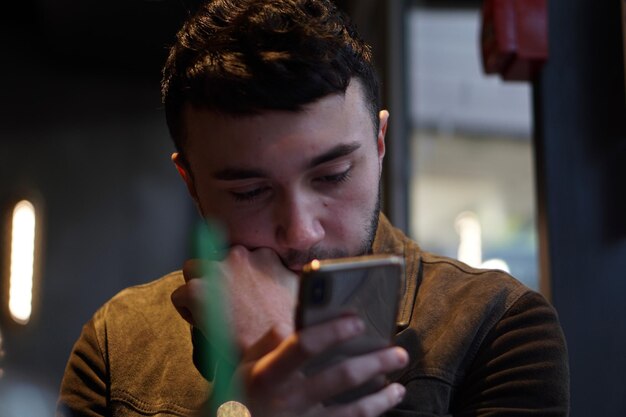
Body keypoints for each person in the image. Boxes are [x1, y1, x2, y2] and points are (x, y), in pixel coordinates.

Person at [57, 0, 570, 416]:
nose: (301, 232)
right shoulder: (117, 341)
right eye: (249, 192)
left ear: (381, 144)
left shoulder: (495, 326)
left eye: (332, 176)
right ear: (190, 183)